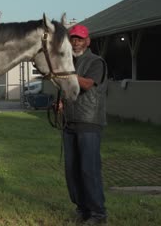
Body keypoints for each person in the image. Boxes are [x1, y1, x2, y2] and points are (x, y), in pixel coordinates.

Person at [61, 24, 108, 225]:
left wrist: (65, 74)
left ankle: (98, 214)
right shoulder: (68, 62)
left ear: (88, 41)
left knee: (89, 169)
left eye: (80, 39)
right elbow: (67, 88)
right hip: (69, 122)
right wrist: (60, 102)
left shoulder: (96, 62)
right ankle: (82, 209)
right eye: (73, 38)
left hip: (89, 121)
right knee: (72, 170)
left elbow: (88, 84)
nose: (75, 42)